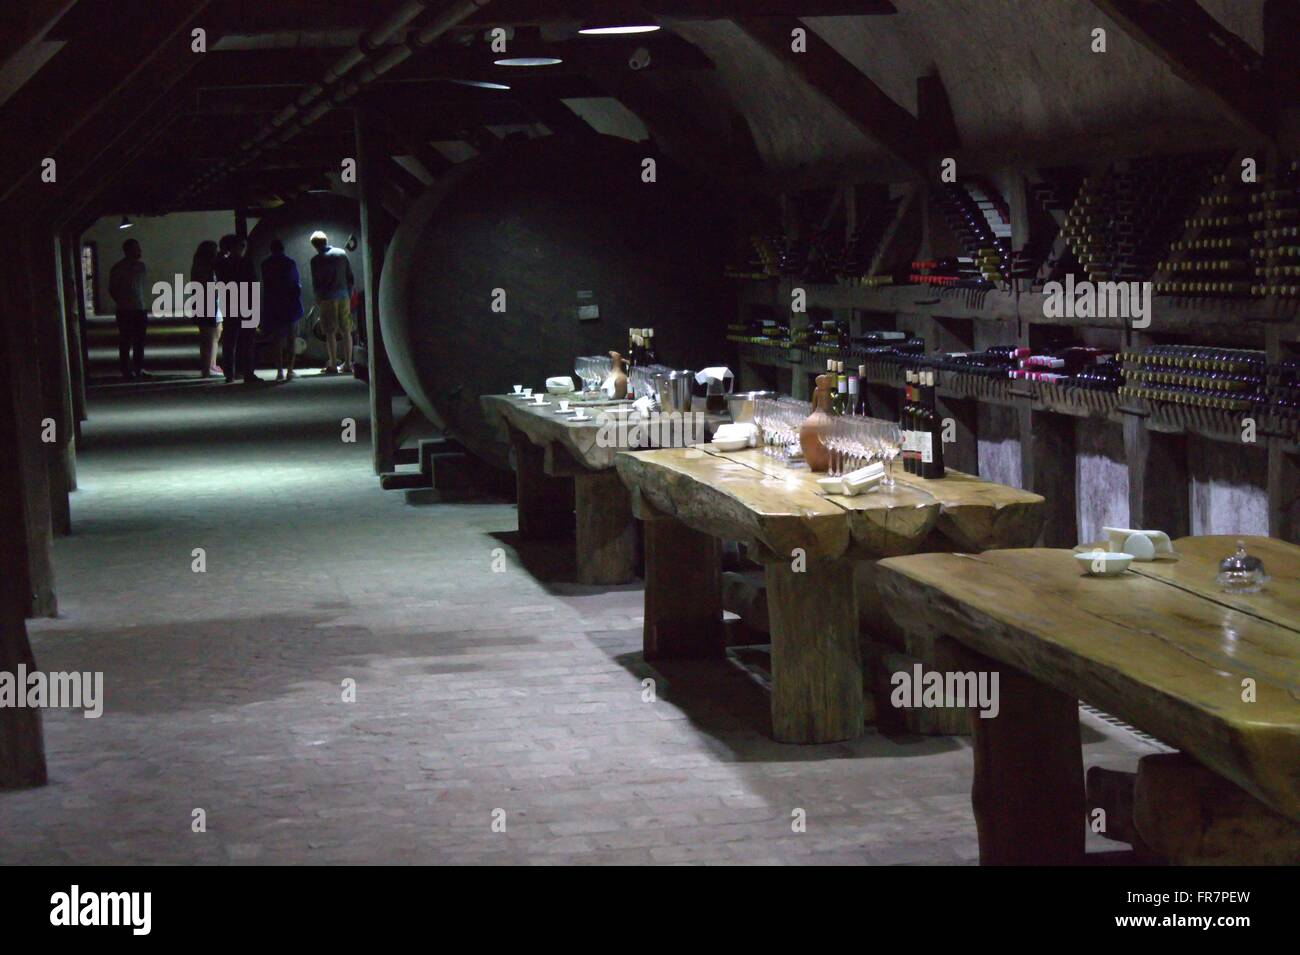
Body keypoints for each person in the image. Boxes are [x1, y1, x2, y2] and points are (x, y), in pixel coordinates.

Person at [308, 230, 355, 375]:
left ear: (314, 245)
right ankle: (348, 364)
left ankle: (333, 364)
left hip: (327, 298)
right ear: (326, 240)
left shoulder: (315, 260)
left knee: (329, 332)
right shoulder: (341, 254)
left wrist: (318, 299)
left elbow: (317, 283)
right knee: (346, 331)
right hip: (343, 295)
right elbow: (350, 277)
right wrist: (348, 293)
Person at [216, 234, 259, 384]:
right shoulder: (246, 263)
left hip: (229, 304)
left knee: (229, 340)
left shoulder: (222, 264)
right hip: (246, 304)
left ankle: (229, 374)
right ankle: (248, 372)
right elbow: (253, 283)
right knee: (247, 340)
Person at [259, 238, 304, 382]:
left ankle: (279, 370)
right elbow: (296, 284)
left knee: (277, 340)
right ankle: (290, 370)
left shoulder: (265, 265)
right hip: (290, 306)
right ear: (283, 249)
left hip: (273, 305)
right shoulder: (290, 263)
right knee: (291, 339)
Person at [108, 238, 149, 379]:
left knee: (138, 341)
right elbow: (112, 289)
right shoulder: (119, 268)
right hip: (127, 309)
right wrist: (123, 301)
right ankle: (128, 370)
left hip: (138, 307)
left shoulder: (140, 267)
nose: (140, 251)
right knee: (127, 340)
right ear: (128, 251)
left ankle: (137, 368)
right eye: (136, 248)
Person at [190, 240, 223, 378]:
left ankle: (211, 365)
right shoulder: (205, 268)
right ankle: (206, 368)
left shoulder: (200, 266)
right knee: (208, 337)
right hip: (207, 302)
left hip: (209, 302)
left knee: (215, 333)